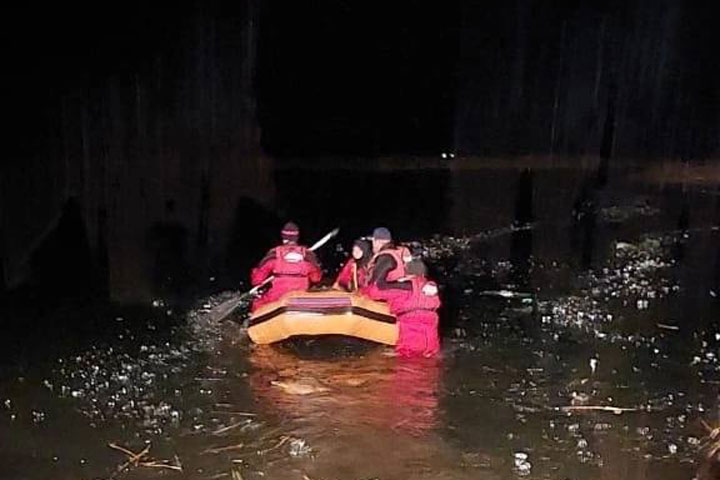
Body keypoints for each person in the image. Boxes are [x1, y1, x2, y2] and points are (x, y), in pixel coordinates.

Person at [250, 222, 322, 311]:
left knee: (257, 303)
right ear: (297, 237)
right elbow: (316, 278)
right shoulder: (308, 255)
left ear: (283, 237)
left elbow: (256, 280)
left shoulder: (273, 254)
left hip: (276, 299)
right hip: (300, 298)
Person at [385, 260, 441, 358]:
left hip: (410, 320)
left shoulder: (403, 286)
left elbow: (376, 292)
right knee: (431, 352)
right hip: (430, 318)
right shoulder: (430, 285)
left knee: (407, 354)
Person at [361, 227, 413, 300]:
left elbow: (376, 284)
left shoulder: (386, 257)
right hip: (401, 293)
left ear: (376, 241)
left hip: (389, 296)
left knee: (371, 290)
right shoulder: (397, 252)